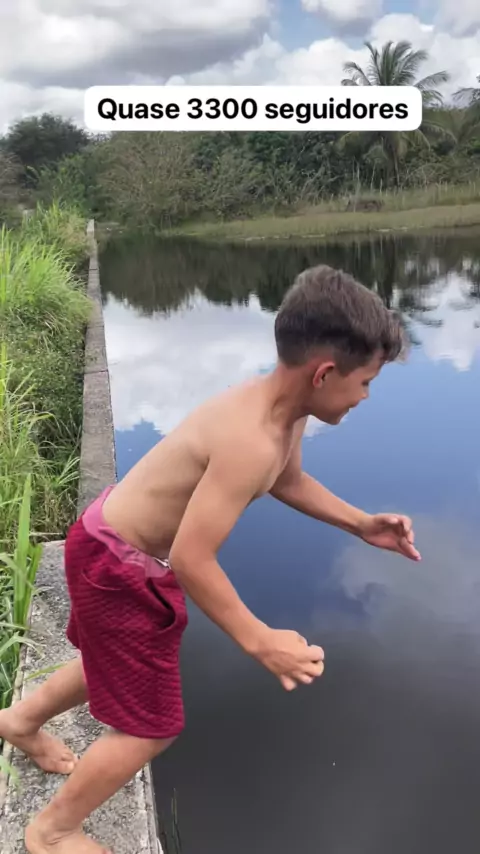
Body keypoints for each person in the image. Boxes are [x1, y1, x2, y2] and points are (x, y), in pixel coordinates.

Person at [0, 264, 421, 854]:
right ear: (324, 373)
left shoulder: (282, 412)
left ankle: (18, 722)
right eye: (366, 382)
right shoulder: (249, 439)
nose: (366, 397)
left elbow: (288, 479)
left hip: (108, 542)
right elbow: (193, 559)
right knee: (150, 729)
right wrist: (259, 640)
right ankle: (51, 832)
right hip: (119, 565)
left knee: (110, 661)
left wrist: (360, 523)